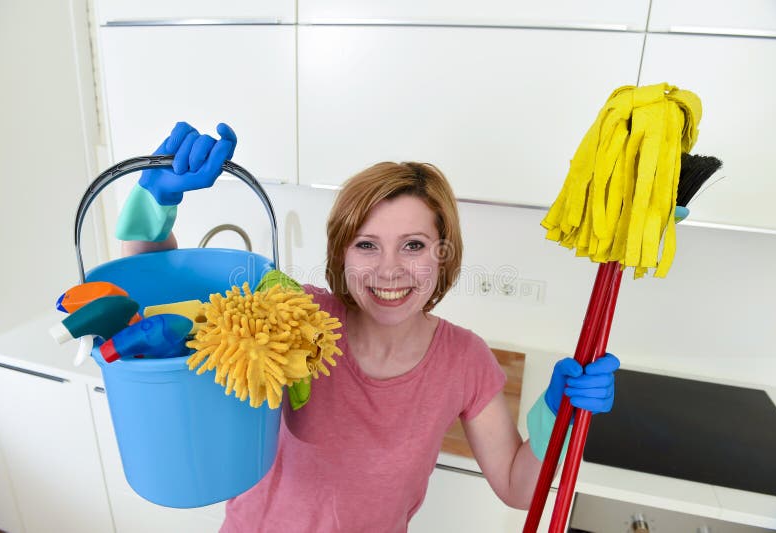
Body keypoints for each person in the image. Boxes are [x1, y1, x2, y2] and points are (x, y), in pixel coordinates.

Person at [119, 122, 620, 532]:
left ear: (443, 255)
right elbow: (159, 292)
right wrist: (153, 208)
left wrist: (558, 416)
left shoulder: (465, 362)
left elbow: (518, 489)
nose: (389, 271)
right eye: (366, 244)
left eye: (414, 245)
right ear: (341, 252)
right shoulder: (294, 315)